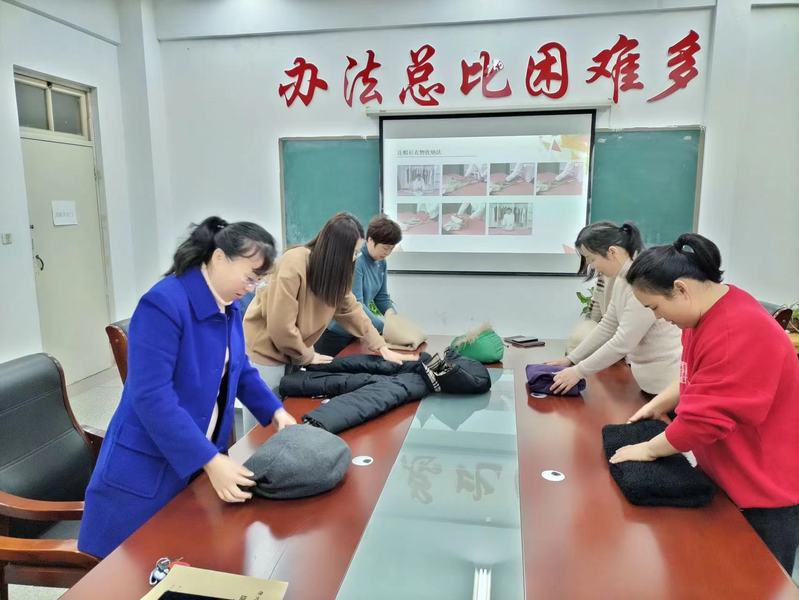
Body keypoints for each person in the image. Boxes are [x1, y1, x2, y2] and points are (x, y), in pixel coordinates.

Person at [78, 217, 294, 559]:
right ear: (219, 258)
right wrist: (210, 459)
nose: (253, 287)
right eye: (250, 277)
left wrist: (276, 411)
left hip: (194, 462)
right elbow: (151, 397)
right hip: (146, 473)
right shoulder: (164, 304)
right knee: (141, 572)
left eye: (259, 280)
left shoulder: (229, 304)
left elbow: (237, 368)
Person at [610, 233, 799, 574]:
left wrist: (649, 449)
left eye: (655, 307)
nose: (657, 317)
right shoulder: (704, 313)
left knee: (756, 585)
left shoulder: (736, 329)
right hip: (724, 475)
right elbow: (698, 375)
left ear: (681, 289)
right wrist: (661, 403)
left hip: (761, 491)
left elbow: (704, 421)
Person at [242, 212, 411, 432]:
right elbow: (280, 326)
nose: (354, 258)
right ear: (336, 251)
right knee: (263, 426)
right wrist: (307, 355)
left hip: (295, 353)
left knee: (288, 417)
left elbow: (352, 310)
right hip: (267, 354)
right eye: (352, 252)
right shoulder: (294, 263)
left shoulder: (335, 273)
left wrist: (381, 346)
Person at [547, 221, 681, 396]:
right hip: (648, 380)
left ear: (612, 252)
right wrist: (571, 359)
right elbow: (608, 325)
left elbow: (623, 342)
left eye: (592, 259)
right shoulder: (621, 279)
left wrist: (578, 371)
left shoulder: (643, 282)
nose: (592, 266)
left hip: (666, 383)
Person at [316, 215, 403, 356]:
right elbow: (357, 303)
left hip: (358, 330)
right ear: (370, 240)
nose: (387, 253)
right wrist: (383, 327)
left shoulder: (381, 262)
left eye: (391, 249)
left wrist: (393, 320)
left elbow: (381, 297)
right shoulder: (357, 261)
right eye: (385, 248)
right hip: (337, 333)